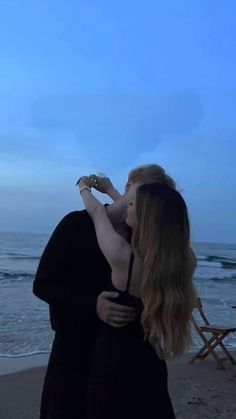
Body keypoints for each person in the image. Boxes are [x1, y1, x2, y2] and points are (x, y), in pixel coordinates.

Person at [33, 164, 177, 419]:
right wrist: (93, 304)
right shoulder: (75, 225)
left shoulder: (144, 239)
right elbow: (43, 284)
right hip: (74, 350)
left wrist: (91, 187)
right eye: (143, 190)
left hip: (126, 358)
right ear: (129, 187)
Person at [77, 176, 197, 419]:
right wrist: (111, 190)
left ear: (146, 217)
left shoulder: (124, 257)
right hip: (149, 362)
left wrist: (83, 187)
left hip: (114, 363)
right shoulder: (181, 261)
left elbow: (98, 213)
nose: (126, 205)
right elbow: (143, 216)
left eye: (133, 204)